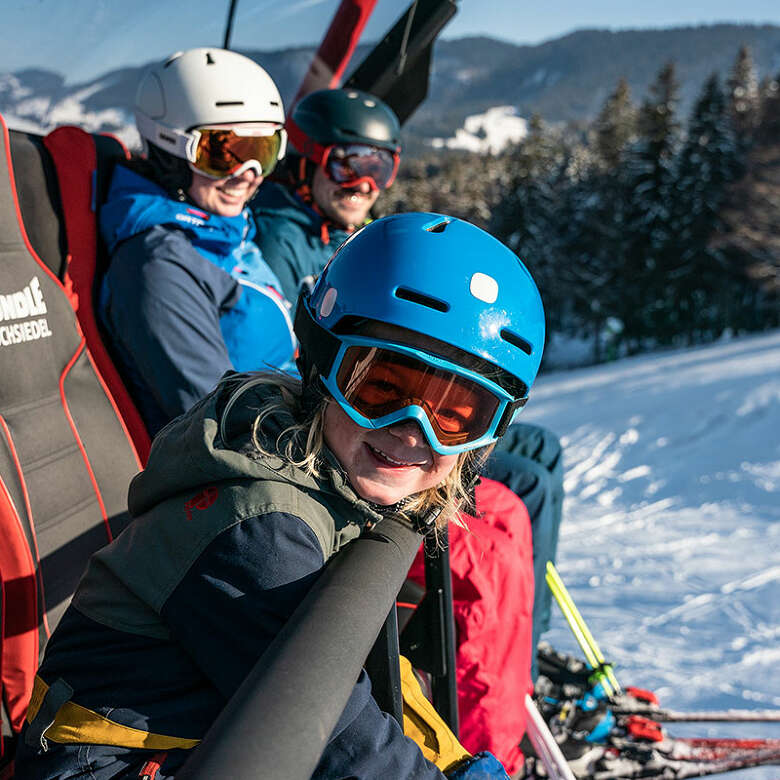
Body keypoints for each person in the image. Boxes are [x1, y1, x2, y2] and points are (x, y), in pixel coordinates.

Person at [14, 212, 545, 779]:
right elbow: (337, 731)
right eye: (381, 387)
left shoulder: (326, 479)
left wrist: (457, 763)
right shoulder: (257, 530)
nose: (413, 430)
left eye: (457, 415)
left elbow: (365, 682)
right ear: (320, 365)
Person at [252, 87, 564, 673]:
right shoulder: (287, 240)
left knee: (542, 453)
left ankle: (523, 641)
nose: (365, 182)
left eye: (381, 166)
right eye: (350, 162)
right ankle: (506, 655)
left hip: (367, 404)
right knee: (517, 494)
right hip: (342, 412)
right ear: (307, 159)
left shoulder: (349, 232)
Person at [98, 47, 295, 436]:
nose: (248, 175)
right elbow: (221, 423)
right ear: (170, 148)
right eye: (223, 154)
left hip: (290, 420)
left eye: (263, 152)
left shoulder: (221, 229)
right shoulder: (159, 266)